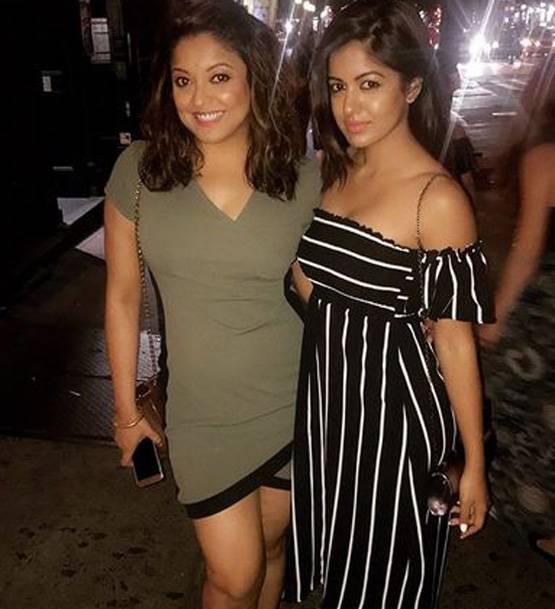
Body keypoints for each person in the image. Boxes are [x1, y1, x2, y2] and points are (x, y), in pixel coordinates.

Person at [103, 2, 320, 608]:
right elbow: (121, 297)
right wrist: (126, 412)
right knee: (233, 576)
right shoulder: (140, 173)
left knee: (272, 551)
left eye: (219, 76)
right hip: (203, 415)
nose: (199, 98)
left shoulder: (304, 178)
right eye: (183, 80)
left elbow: (323, 294)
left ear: (255, 78)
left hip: (296, 403)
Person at [284, 2, 494, 608]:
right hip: (330, 410)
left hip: (395, 426)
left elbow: (455, 342)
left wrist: (474, 463)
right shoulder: (339, 170)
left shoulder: (438, 199)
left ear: (412, 86)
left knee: (385, 584)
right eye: (338, 87)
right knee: (342, 576)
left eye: (370, 84)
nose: (350, 106)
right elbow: (315, 287)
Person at [479, 55, 555, 562]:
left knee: (519, 408)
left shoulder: (544, 158)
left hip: (547, 313)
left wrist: (495, 320)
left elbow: (526, 252)